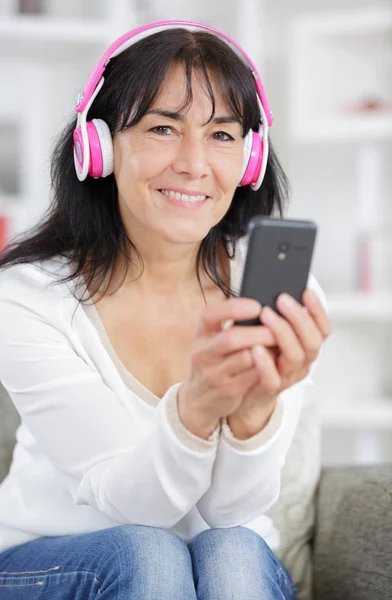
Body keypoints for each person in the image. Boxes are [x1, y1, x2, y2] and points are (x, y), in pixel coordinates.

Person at [0, 20, 332, 600]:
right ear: (97, 146)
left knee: (232, 550)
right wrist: (199, 409)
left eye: (223, 136)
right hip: (52, 562)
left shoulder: (277, 286)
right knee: (147, 552)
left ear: (250, 159)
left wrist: (254, 413)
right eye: (162, 128)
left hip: (225, 563)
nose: (194, 163)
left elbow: (231, 512)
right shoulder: (26, 296)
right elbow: (135, 508)